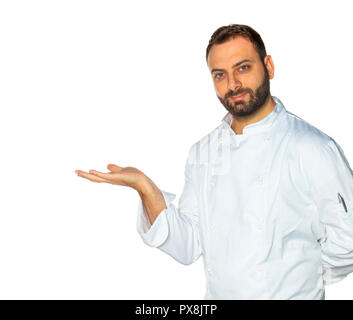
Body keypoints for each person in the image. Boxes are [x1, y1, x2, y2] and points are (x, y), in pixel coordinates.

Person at [75, 24, 353, 300]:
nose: (232, 84)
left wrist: (305, 279)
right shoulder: (203, 152)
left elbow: (349, 239)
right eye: (220, 75)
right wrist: (145, 187)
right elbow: (187, 245)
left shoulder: (312, 147)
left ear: (268, 66)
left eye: (243, 68)